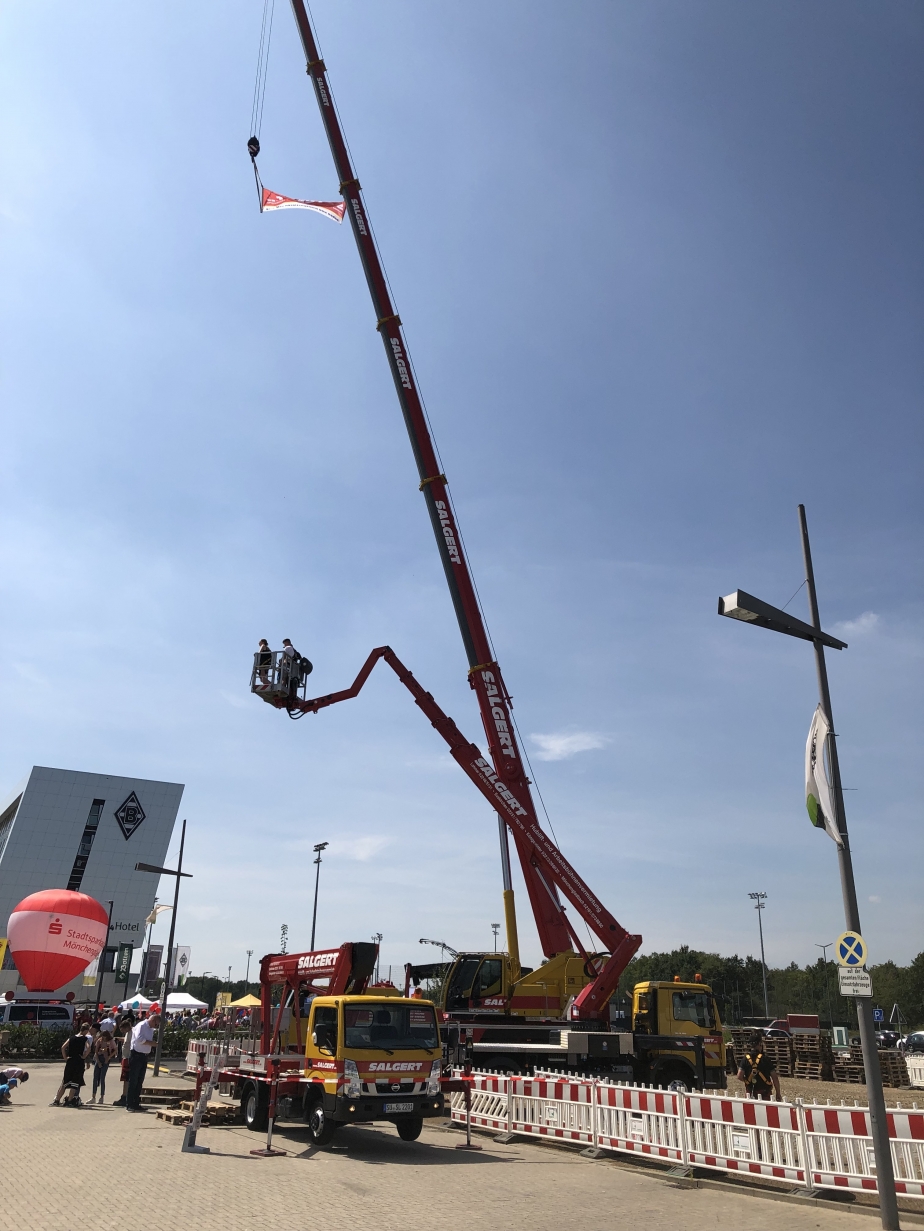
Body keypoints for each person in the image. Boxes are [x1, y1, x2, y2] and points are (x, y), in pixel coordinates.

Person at [125, 1010, 160, 1111]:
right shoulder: (141, 1025)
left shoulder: (150, 1029)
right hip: (136, 1054)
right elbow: (139, 1039)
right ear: (152, 1020)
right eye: (156, 1024)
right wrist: (151, 1043)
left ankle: (136, 1103)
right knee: (134, 1080)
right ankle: (130, 1104)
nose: (155, 1026)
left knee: (140, 1080)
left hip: (144, 1055)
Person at [51, 1024, 91, 1107]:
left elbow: (63, 1047)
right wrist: (84, 1056)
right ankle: (69, 1101)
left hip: (70, 1061)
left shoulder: (71, 1038)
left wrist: (65, 1057)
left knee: (65, 1081)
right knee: (75, 1082)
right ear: (86, 1030)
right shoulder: (84, 1039)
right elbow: (88, 1048)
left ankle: (57, 1100)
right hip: (78, 1061)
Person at [737, 1031, 781, 1101]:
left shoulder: (745, 1058)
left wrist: (747, 1081)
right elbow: (775, 1078)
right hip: (765, 1093)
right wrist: (778, 1093)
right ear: (760, 1043)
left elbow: (739, 1076)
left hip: (750, 1093)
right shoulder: (766, 1059)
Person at [90, 1029, 117, 1105]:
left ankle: (102, 1097)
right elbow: (96, 1051)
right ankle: (93, 1097)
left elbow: (115, 1050)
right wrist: (98, 1062)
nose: (103, 1038)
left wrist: (109, 1057)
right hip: (99, 1058)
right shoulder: (99, 1040)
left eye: (105, 1036)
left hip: (106, 1060)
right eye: (103, 1036)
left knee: (102, 1078)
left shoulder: (111, 1041)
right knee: (95, 1078)